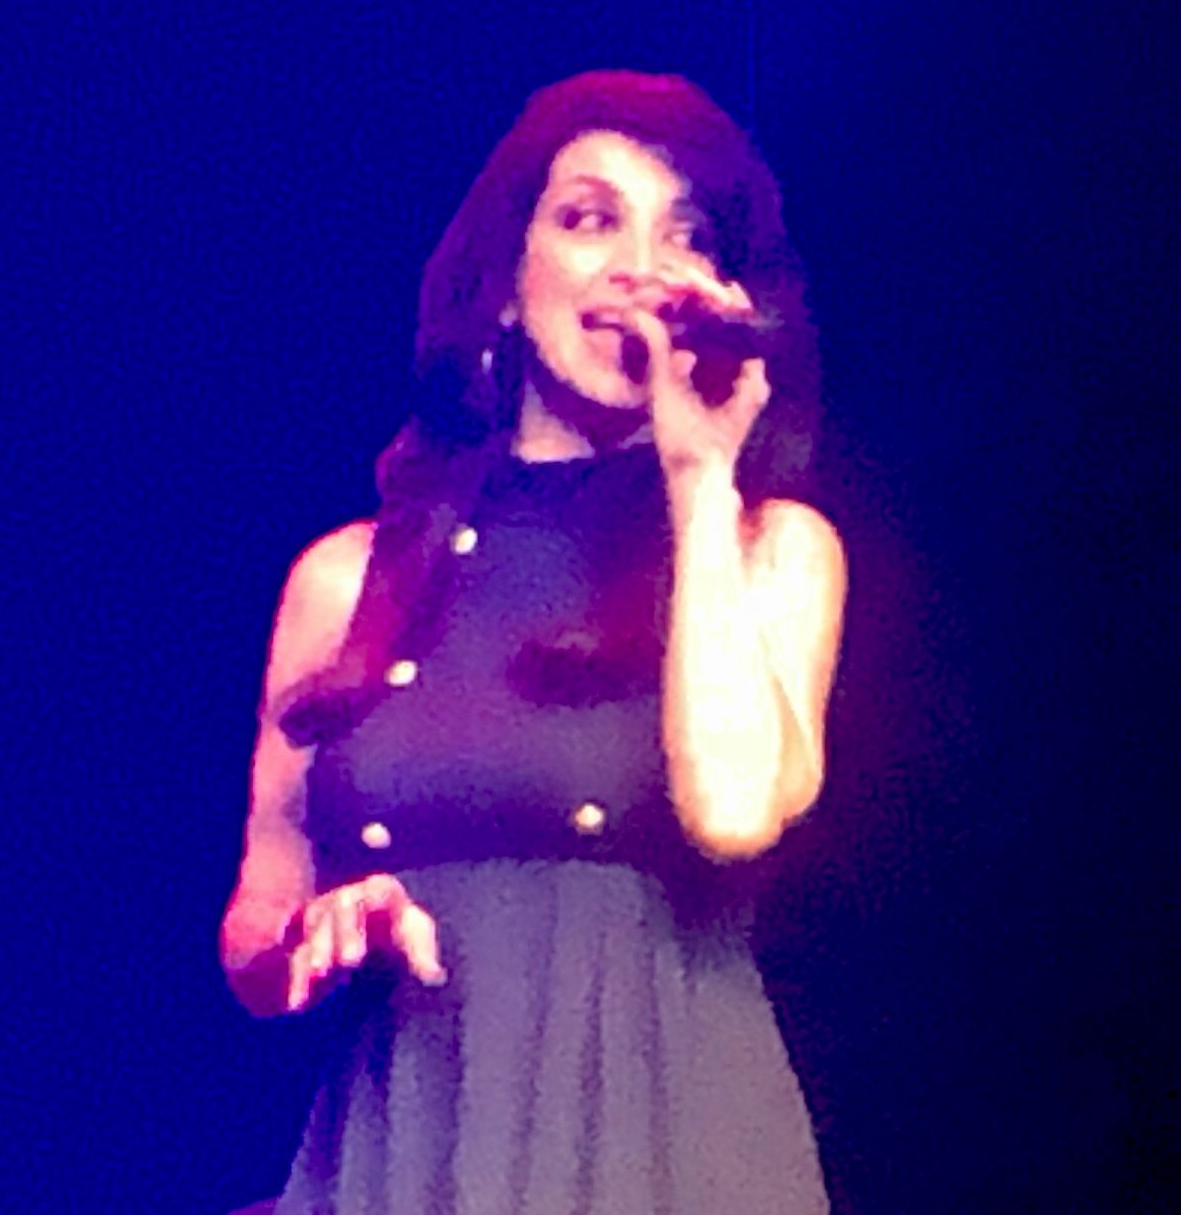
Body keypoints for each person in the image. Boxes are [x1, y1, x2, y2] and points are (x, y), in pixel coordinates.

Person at [220, 69, 847, 1214]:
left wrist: (698, 478)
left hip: (668, 1151)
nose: (639, 267)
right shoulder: (345, 579)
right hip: (405, 1150)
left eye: (684, 235)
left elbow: (734, 810)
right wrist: (316, 930)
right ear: (506, 284)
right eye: (590, 219)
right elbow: (258, 923)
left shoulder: (767, 548)